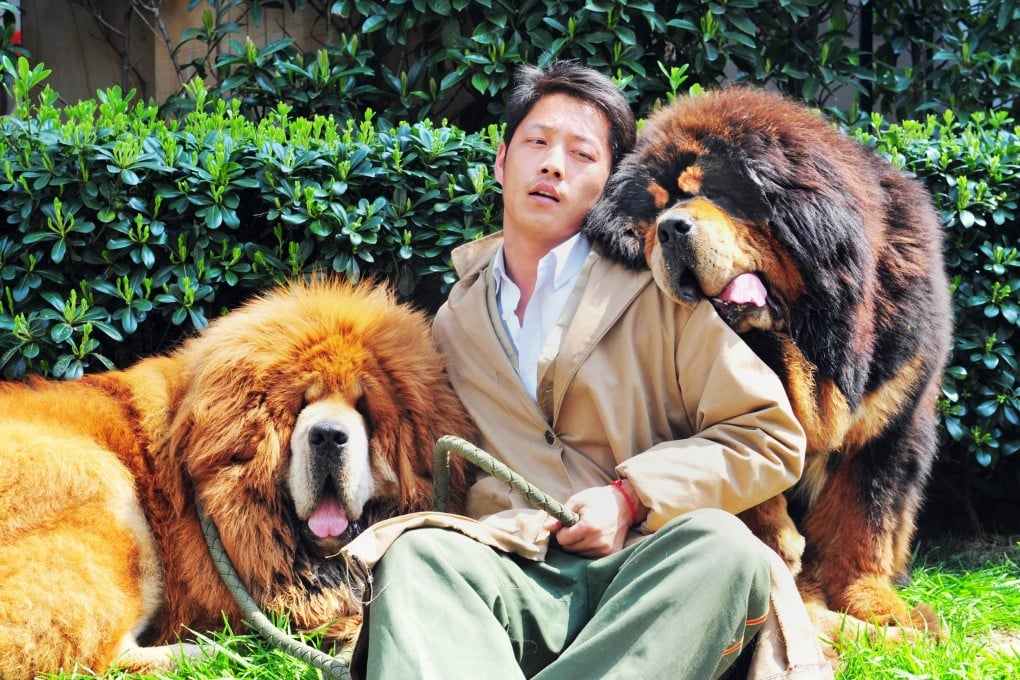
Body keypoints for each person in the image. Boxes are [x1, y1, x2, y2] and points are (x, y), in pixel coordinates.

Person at [350, 60, 809, 679]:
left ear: (610, 181)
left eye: (581, 154)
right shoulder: (452, 321)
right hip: (514, 572)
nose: (553, 165)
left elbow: (770, 437)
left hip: (644, 571)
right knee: (417, 556)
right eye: (536, 143)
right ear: (501, 161)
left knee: (728, 552)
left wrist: (630, 498)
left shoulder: (660, 292)